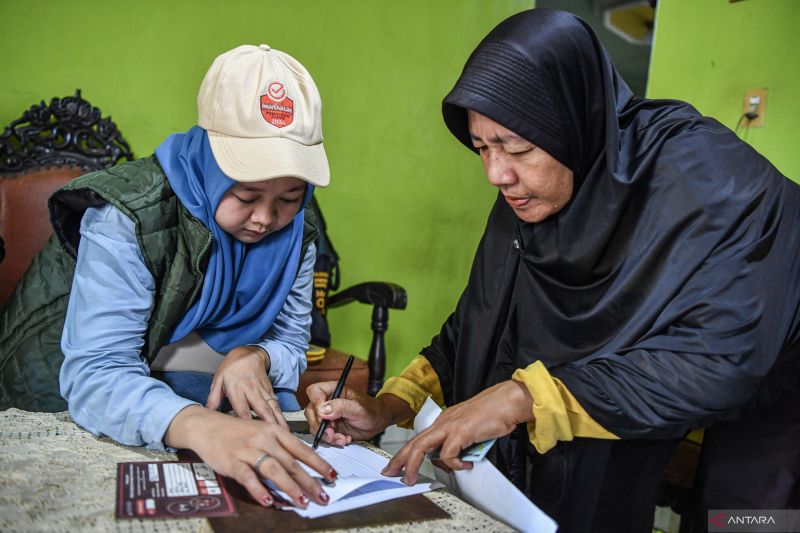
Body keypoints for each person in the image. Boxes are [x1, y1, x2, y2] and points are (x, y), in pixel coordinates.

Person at [305, 9, 800, 531]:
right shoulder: (531, 199)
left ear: (575, 125)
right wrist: (386, 406)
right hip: (655, 385)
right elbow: (477, 330)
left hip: (775, 399)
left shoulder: (710, 185)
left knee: (744, 518)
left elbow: (718, 358)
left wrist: (524, 396)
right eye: (482, 148)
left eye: (518, 148)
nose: (497, 173)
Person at [0, 44, 337, 508]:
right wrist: (205, 427)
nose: (265, 218)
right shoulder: (129, 216)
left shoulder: (298, 236)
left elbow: (292, 345)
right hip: (61, 394)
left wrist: (255, 355)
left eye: (290, 196)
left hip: (178, 385)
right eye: (246, 193)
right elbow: (96, 373)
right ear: (210, 161)